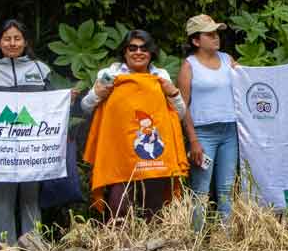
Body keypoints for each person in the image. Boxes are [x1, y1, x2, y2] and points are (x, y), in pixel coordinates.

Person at [82, 30, 186, 219]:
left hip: (152, 153)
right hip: (119, 153)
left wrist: (173, 94)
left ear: (151, 53)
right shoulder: (110, 74)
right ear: (125, 52)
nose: (138, 52)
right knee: (118, 205)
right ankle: (120, 247)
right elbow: (86, 107)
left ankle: (153, 246)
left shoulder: (160, 75)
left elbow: (179, 115)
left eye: (144, 48)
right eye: (133, 48)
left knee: (154, 206)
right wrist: (98, 94)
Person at [0, 19, 54, 246]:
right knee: (1, 204)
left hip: (32, 149)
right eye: (7, 39)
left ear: (25, 41)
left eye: (17, 38)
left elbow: (51, 107)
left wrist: (66, 100)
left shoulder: (41, 70)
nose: (12, 43)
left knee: (31, 202)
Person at [178, 14, 239, 231]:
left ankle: (226, 239)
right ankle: (196, 240)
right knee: (201, 190)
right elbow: (182, 106)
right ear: (196, 41)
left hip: (230, 131)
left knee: (226, 188)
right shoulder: (189, 66)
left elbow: (248, 83)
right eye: (209, 34)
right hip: (204, 133)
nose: (216, 38)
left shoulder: (227, 59)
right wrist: (193, 140)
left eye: (216, 33)